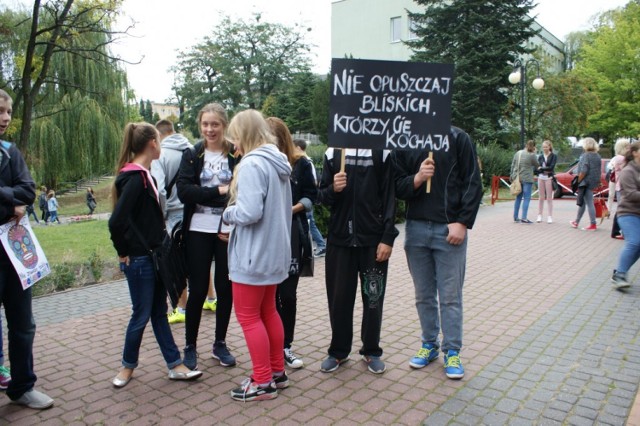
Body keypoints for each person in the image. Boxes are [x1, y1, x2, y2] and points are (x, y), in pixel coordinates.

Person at [108, 122, 202, 388]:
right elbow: (116, 221)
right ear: (152, 143)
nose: (161, 146)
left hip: (153, 257)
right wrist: (122, 252)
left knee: (159, 313)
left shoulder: (144, 174)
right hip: (140, 259)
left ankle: (175, 365)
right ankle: (127, 366)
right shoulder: (135, 178)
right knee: (141, 314)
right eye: (160, 142)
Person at [394, 126, 483, 380]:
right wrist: (418, 178)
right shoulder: (405, 139)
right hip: (416, 228)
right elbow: (397, 187)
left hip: (449, 228)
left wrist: (462, 222)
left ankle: (452, 350)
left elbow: (472, 182)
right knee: (423, 295)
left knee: (450, 296)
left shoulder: (458, 138)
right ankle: (429, 344)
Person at [222, 109, 292, 401]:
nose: (233, 145)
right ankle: (276, 372)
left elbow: (250, 212)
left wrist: (227, 213)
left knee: (249, 317)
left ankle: (262, 381)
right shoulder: (278, 162)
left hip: (253, 254)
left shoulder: (252, 165)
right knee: (268, 312)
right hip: (273, 252)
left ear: (245, 135)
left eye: (235, 138)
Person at [317, 144, 398, 375]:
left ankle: (371, 350)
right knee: (339, 298)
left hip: (373, 242)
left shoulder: (381, 152)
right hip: (339, 240)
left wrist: (388, 238)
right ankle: (338, 351)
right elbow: (320, 196)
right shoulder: (333, 153)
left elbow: (389, 196)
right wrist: (334, 188)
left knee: (373, 298)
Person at [0, 88, 54, 409]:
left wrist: (11, 200)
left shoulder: (9, 152)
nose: (5, 118)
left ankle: (22, 387)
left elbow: (29, 191)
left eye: (7, 112)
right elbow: (16, 196)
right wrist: (11, 201)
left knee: (23, 323)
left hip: (13, 253)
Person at [177, 103, 237, 369]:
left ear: (224, 125)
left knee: (225, 288)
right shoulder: (191, 154)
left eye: (215, 124)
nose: (210, 129)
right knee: (198, 288)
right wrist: (218, 192)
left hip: (227, 230)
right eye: (205, 124)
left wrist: (223, 194)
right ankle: (190, 345)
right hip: (197, 230)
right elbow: (184, 192)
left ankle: (220, 343)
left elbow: (241, 189)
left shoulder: (236, 154)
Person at [268, 119, 317, 370]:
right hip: (266, 237)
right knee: (268, 296)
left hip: (292, 233)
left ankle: (286, 345)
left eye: (274, 138)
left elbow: (312, 196)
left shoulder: (301, 164)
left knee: (287, 294)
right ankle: (269, 346)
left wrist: (291, 209)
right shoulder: (260, 162)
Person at [611, 141, 640, 289]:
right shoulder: (628, 171)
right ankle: (620, 275)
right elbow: (630, 194)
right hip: (628, 212)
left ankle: (620, 272)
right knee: (634, 241)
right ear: (635, 153)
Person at [293, 139, 326, 257]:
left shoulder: (306, 162)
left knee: (310, 224)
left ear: (298, 147)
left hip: (304, 202)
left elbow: (314, 182)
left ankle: (321, 246)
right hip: (303, 201)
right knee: (311, 224)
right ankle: (321, 245)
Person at [570, 137, 602, 231]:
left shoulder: (585, 155)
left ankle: (593, 224)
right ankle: (576, 221)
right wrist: (599, 181)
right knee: (583, 202)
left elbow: (584, 170)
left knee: (589, 202)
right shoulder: (597, 156)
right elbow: (598, 170)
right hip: (593, 181)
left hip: (585, 182)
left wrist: (578, 180)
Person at [510, 140, 539, 223]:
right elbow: (537, 165)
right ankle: (524, 217)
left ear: (526, 145)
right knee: (526, 198)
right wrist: (535, 153)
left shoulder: (518, 153)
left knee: (518, 198)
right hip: (527, 179)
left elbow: (513, 164)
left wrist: (512, 175)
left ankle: (515, 217)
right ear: (533, 147)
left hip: (518, 178)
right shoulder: (532, 155)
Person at [536, 140, 557, 224]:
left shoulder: (553, 156)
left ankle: (549, 216)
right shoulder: (540, 156)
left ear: (549, 147)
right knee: (541, 197)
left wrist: (541, 169)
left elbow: (551, 167)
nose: (545, 148)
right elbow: (536, 168)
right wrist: (541, 169)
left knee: (549, 197)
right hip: (540, 178)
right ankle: (539, 215)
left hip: (549, 178)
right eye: (543, 147)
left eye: (546, 147)